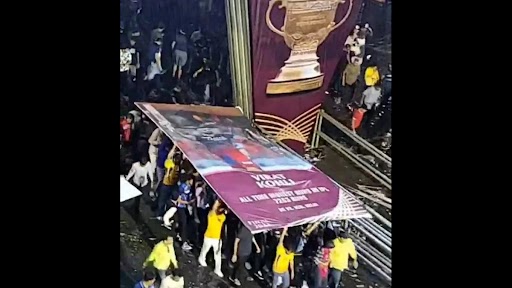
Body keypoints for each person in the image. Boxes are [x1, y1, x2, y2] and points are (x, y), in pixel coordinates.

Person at [198, 199, 227, 278]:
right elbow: (214, 209)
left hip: (217, 239)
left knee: (217, 255)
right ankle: (201, 259)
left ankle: (218, 269)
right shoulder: (211, 214)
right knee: (205, 250)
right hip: (208, 236)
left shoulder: (222, 216)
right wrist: (217, 201)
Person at [177, 174, 196, 250]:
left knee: (186, 222)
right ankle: (184, 242)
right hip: (181, 207)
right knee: (184, 223)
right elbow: (178, 199)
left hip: (185, 207)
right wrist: (187, 202)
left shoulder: (190, 187)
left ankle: (181, 235)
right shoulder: (182, 187)